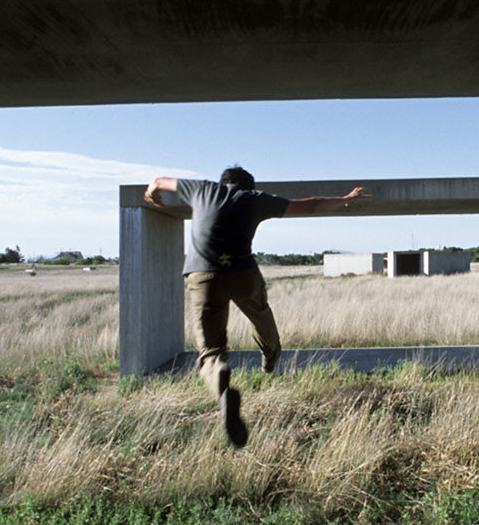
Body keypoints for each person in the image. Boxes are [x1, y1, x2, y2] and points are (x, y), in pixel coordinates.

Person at [144, 166, 370, 448]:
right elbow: (310, 206)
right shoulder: (255, 198)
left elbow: (158, 181)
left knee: (211, 349)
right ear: (247, 185)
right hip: (242, 272)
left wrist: (153, 191)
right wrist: (345, 199)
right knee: (260, 313)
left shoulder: (201, 189)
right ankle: (270, 355)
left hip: (203, 274)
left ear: (222, 182)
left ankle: (220, 378)